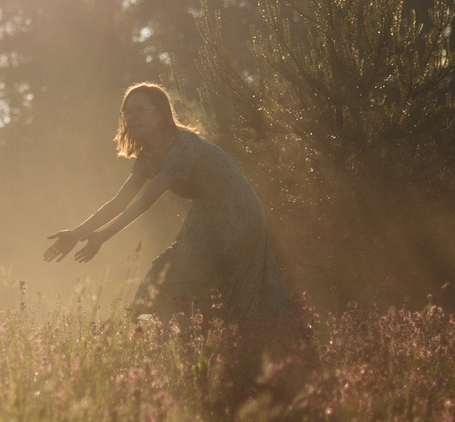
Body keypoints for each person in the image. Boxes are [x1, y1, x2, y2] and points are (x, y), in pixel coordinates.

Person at [44, 81, 293, 324]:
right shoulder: (149, 154)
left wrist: (103, 236)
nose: (132, 117)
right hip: (206, 216)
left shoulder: (182, 145)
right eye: (127, 112)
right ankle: (159, 341)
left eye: (140, 110)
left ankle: (227, 344)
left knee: (227, 294)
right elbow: (120, 201)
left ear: (160, 114)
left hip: (238, 216)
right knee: (164, 284)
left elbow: (145, 202)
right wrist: (76, 233)